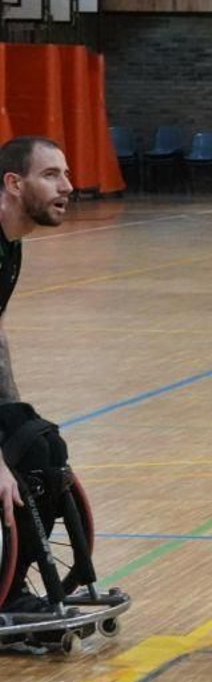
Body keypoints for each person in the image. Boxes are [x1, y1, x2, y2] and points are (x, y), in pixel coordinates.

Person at [0, 137, 74, 609]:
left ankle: (11, 581)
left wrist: (13, 417)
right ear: (13, 183)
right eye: (51, 175)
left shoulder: (11, 246)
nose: (67, 186)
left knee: (40, 444)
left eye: (65, 174)